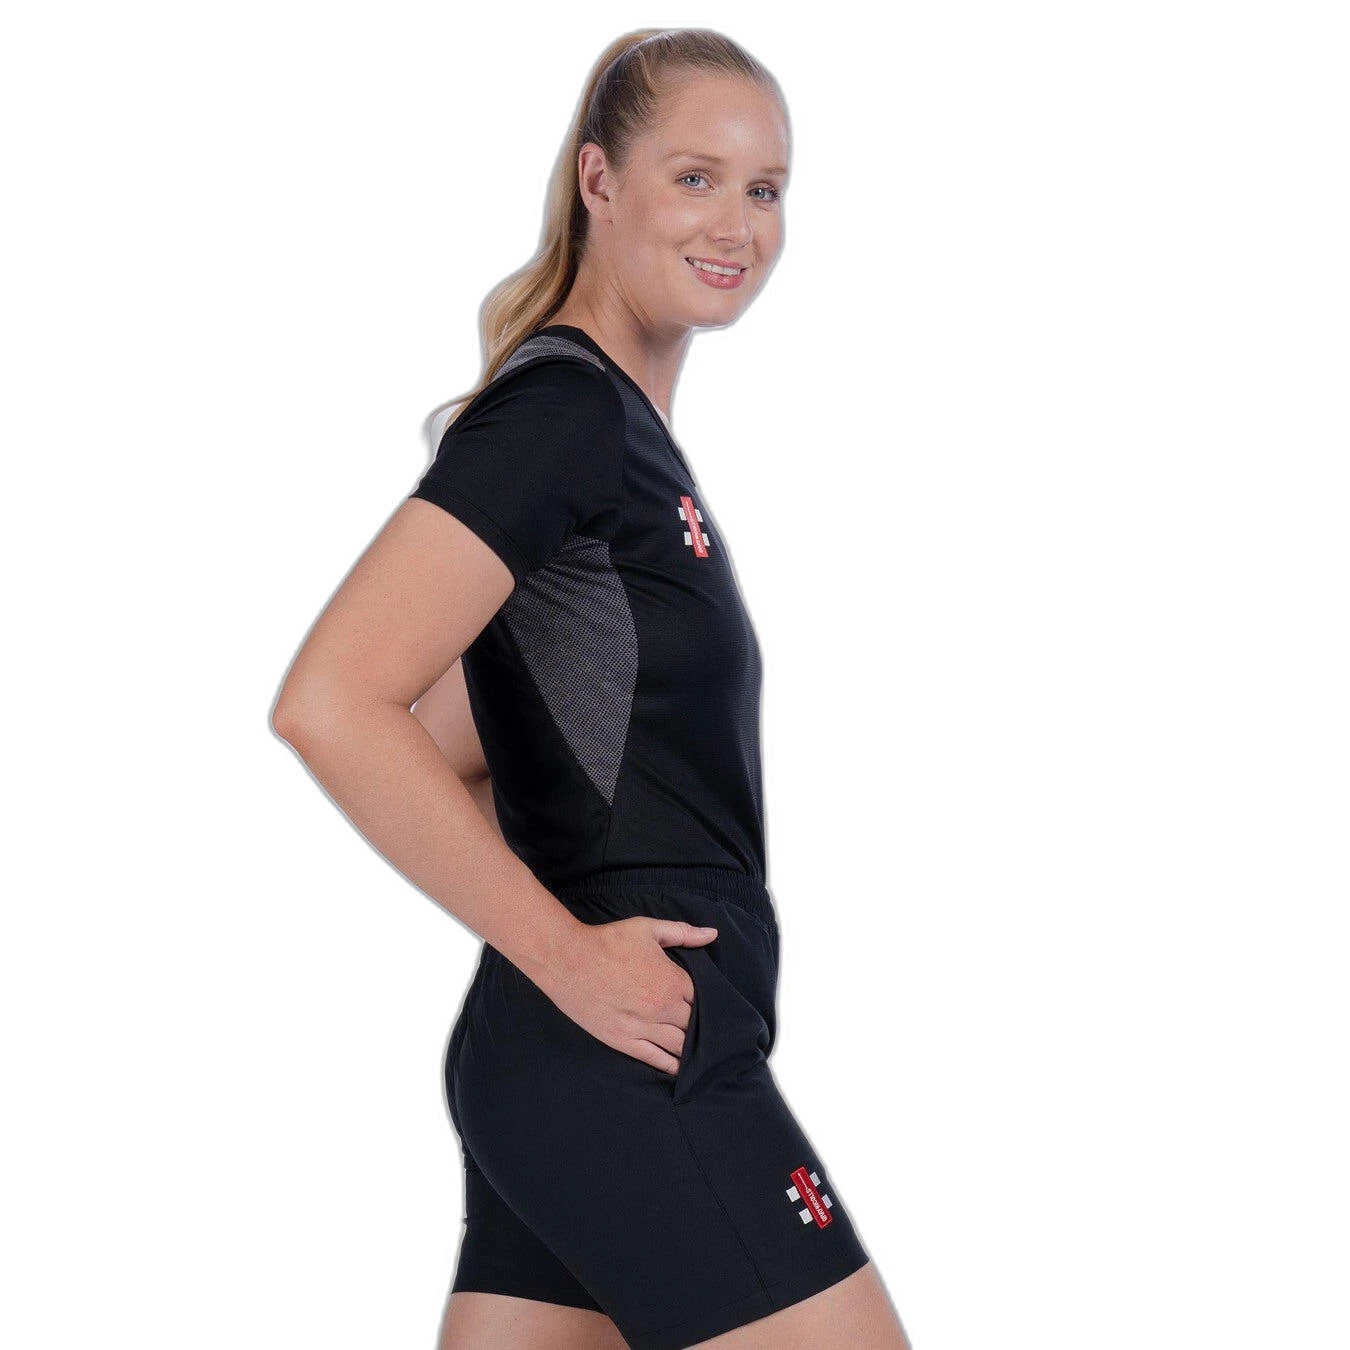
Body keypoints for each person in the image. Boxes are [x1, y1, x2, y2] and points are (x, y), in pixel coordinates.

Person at [273, 27, 913, 1350]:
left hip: (577, 1046)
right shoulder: (564, 416)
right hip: (623, 1045)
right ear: (598, 180)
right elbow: (332, 702)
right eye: (695, 177)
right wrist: (566, 952)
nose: (737, 223)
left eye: (765, 188)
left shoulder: (618, 435)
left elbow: (460, 738)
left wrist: (561, 955)